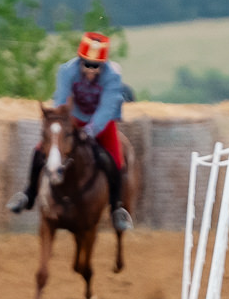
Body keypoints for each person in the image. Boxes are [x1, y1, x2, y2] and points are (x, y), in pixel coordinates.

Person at [8, 31, 134, 231]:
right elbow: (62, 100)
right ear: (80, 61)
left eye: (96, 66)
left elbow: (106, 108)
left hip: (101, 122)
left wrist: (91, 130)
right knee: (40, 151)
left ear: (103, 66)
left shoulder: (113, 76)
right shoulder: (66, 71)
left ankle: (117, 209)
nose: (91, 70)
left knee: (114, 160)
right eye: (87, 64)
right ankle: (28, 194)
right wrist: (65, 124)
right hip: (73, 119)